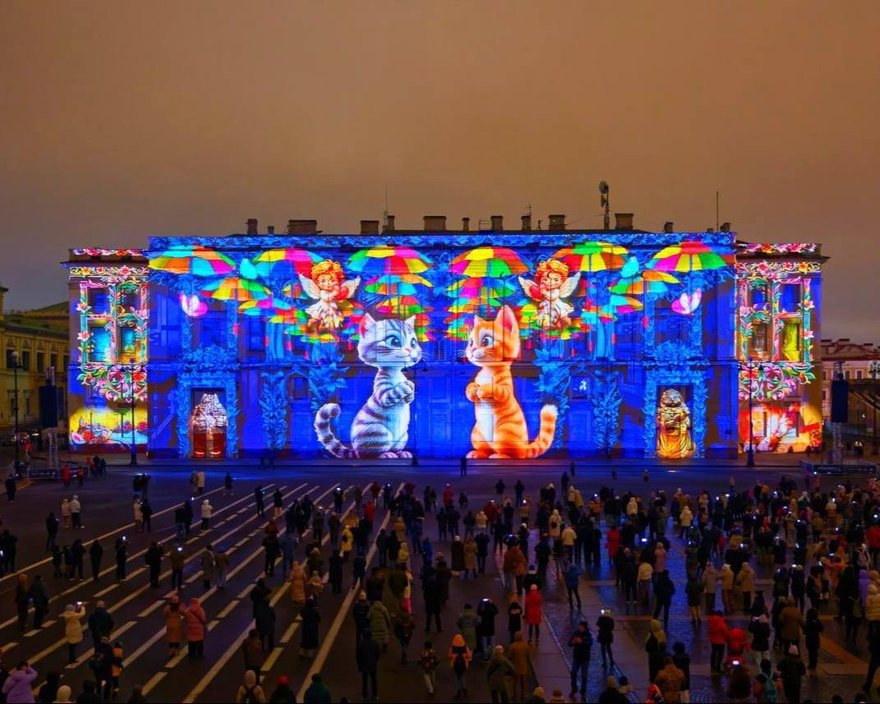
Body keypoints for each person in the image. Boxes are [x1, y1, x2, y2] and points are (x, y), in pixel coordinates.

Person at [568, 620, 592, 700]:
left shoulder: (588, 635)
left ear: (584, 627)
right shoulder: (576, 633)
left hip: (585, 658)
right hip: (577, 657)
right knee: (573, 672)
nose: (579, 627)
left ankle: (583, 692)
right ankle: (574, 689)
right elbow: (569, 643)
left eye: (581, 626)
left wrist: (581, 642)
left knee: (584, 676)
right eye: (579, 626)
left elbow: (589, 644)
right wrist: (572, 642)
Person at [356, 628, 381, 702]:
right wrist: (376, 661)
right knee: (374, 680)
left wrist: (359, 664)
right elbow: (377, 654)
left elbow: (358, 656)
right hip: (373, 665)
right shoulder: (374, 643)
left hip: (364, 665)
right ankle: (375, 695)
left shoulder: (360, 644)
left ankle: (364, 696)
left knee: (364, 680)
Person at [507, 631, 531, 702]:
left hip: (515, 666)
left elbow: (509, 656)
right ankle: (524, 694)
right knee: (523, 682)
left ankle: (514, 695)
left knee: (515, 682)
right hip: (524, 667)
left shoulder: (513, 646)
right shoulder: (525, 645)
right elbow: (528, 656)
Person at [449, 632, 472, 700]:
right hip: (463, 664)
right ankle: (464, 689)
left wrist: (454, 656)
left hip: (455, 664)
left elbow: (449, 655)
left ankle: (458, 691)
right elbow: (469, 655)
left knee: (457, 677)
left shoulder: (453, 647)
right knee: (462, 676)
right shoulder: (464, 647)